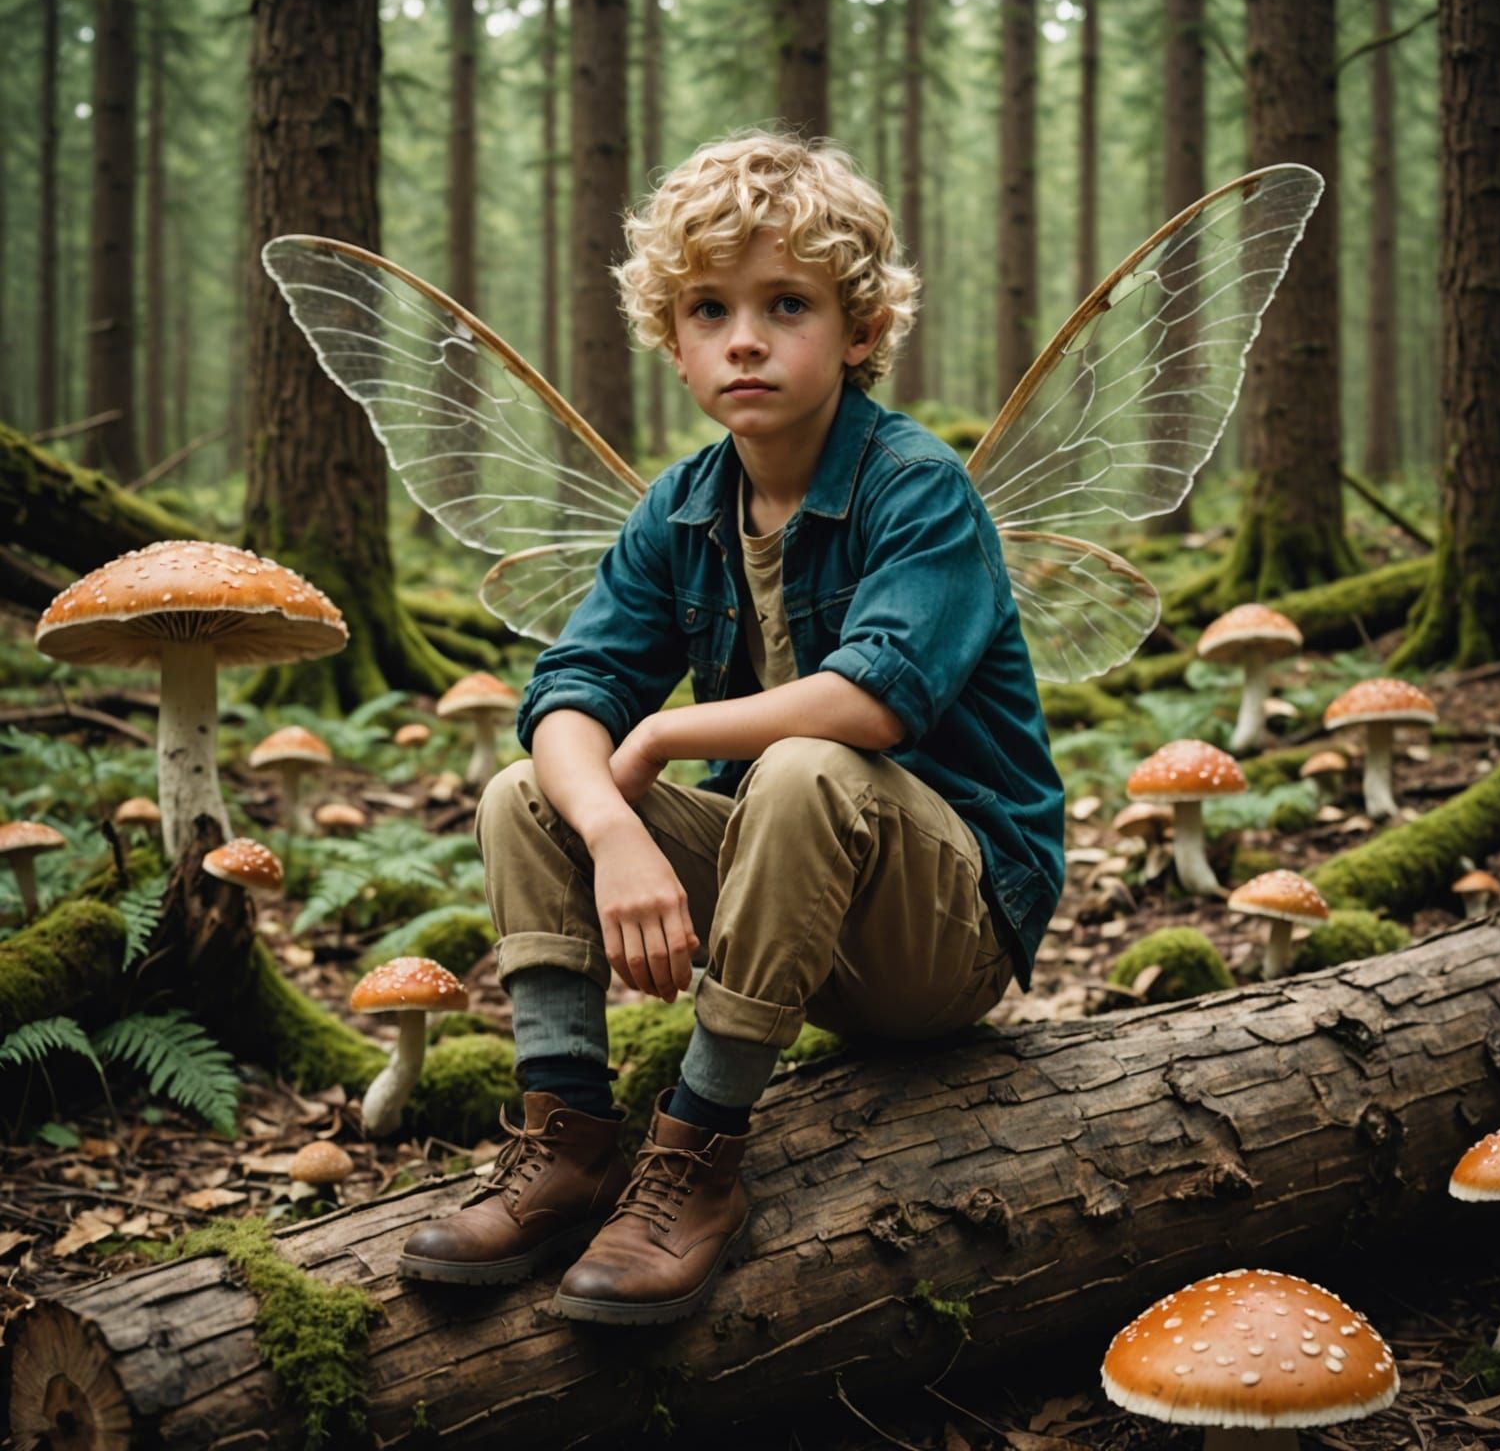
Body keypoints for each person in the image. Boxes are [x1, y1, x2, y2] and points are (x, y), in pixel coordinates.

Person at [398, 129, 1065, 1324]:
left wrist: (657, 742)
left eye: (788, 304)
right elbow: (565, 697)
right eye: (709, 308)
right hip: (793, 915)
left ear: (862, 332)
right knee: (529, 792)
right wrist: (611, 833)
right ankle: (568, 1143)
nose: (744, 337)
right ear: (673, 338)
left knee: (808, 762)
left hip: (943, 926)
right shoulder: (683, 507)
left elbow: (875, 698)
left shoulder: (917, 485)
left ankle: (698, 1156)